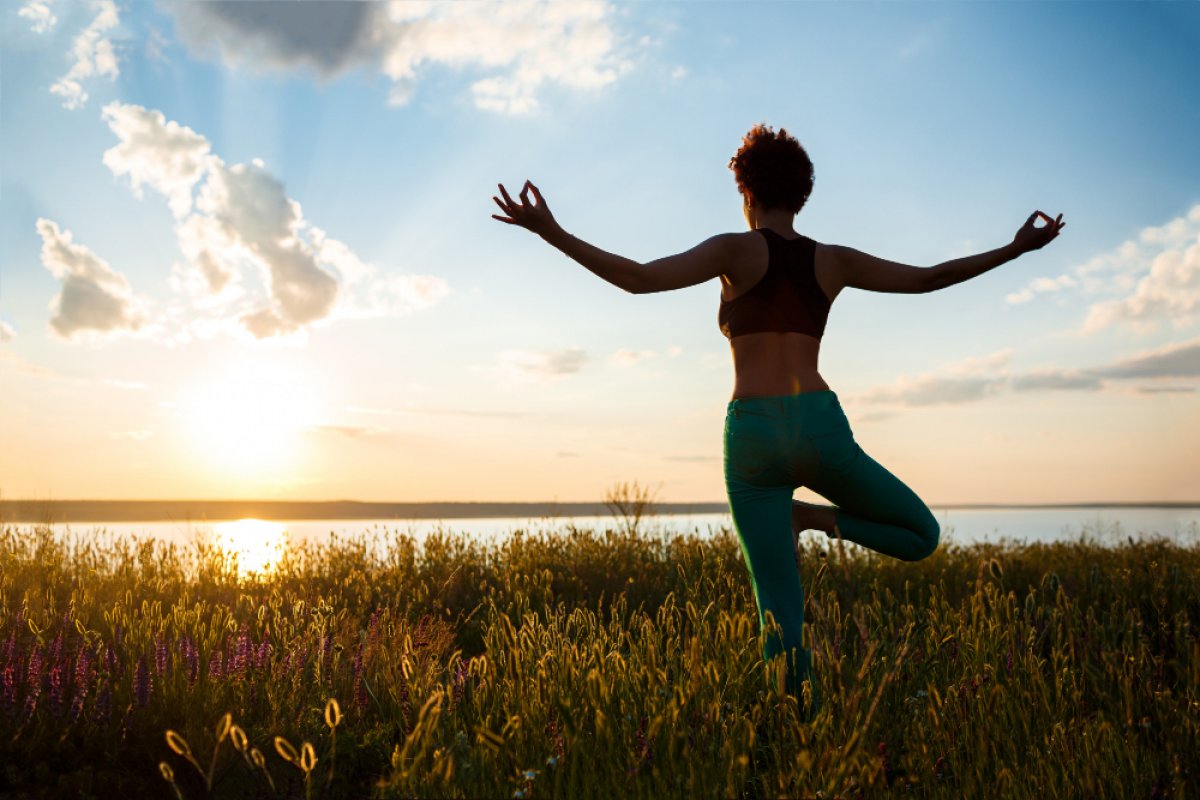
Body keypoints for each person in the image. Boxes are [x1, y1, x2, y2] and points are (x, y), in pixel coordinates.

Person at [491, 123, 1065, 719]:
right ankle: (810, 519)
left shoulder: (734, 251)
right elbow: (928, 279)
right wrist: (1015, 249)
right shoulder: (833, 261)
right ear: (803, 193)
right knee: (921, 535)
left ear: (746, 190)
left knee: (780, 616)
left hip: (755, 438)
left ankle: (792, 739)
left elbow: (639, 279)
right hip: (819, 428)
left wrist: (550, 232)